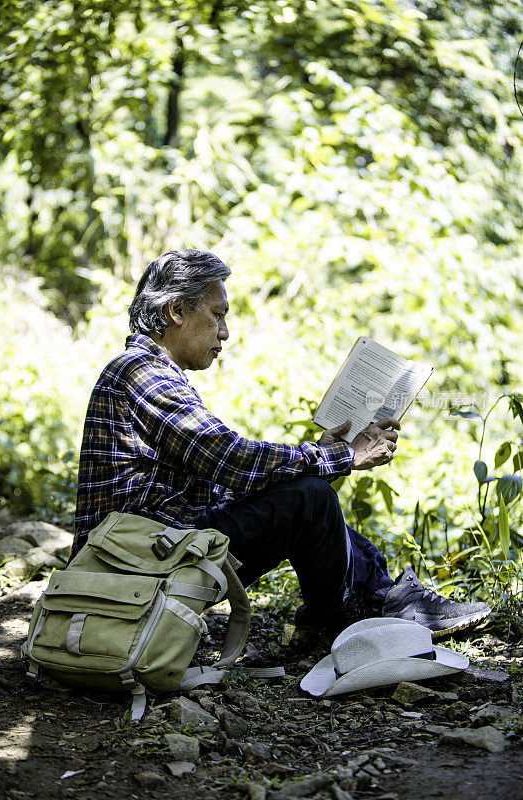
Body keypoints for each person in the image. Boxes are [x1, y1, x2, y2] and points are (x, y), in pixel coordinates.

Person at [71, 249, 490, 644]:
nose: (225, 332)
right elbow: (230, 459)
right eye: (217, 315)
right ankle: (357, 616)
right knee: (309, 498)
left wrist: (322, 454)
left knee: (303, 495)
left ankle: (372, 600)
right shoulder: (143, 374)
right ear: (176, 311)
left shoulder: (149, 372)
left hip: (152, 554)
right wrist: (344, 456)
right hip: (135, 568)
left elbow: (227, 480)